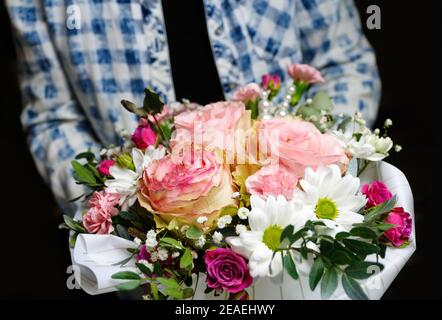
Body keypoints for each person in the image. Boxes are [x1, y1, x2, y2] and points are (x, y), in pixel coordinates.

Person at [6, 0, 380, 215]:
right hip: (149, 263)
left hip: (301, 236)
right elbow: (54, 118)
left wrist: (312, 177)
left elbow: (345, 63)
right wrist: (124, 220)